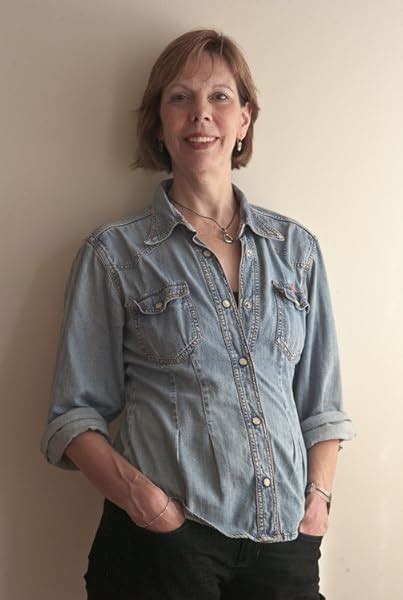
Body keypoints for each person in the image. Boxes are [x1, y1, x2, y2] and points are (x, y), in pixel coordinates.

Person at [40, 28, 355, 600]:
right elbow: (74, 416)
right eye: (180, 97)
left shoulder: (296, 250)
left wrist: (318, 504)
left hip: (284, 544)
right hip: (162, 548)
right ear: (159, 123)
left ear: (245, 119)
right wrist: (149, 506)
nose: (200, 115)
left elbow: (322, 406)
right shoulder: (114, 255)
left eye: (219, 97)